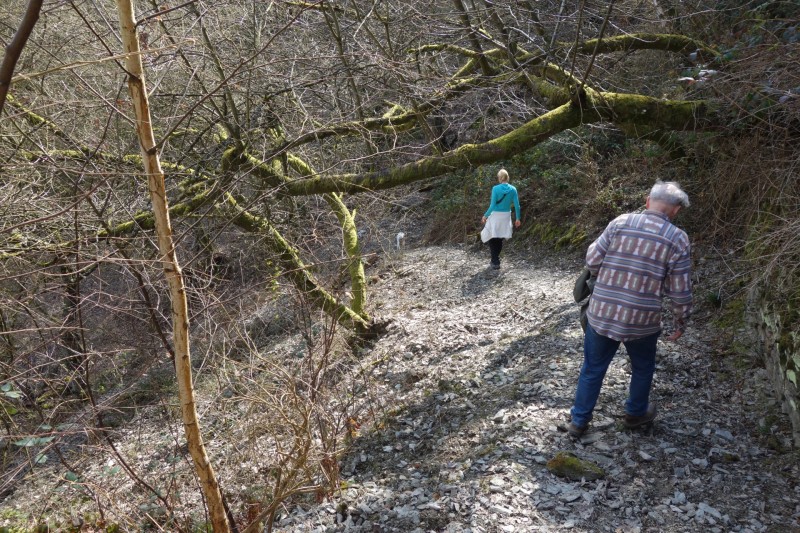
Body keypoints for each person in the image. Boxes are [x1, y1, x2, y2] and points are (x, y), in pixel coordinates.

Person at [567, 181, 693, 438]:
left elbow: (592, 260)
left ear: (648, 201)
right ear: (676, 211)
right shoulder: (678, 239)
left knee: (592, 368)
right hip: (642, 320)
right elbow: (679, 291)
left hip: (603, 313)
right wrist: (681, 322)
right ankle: (635, 414)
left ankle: (578, 421)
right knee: (643, 367)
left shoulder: (620, 222)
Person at [481, 168, 521, 269]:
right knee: (499, 238)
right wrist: (518, 218)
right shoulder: (513, 189)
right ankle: (495, 259)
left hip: (495, 216)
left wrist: (485, 215)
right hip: (506, 216)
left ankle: (495, 261)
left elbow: (492, 205)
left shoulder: (495, 188)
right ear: (507, 177)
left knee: (492, 236)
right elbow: (517, 206)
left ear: (499, 178)